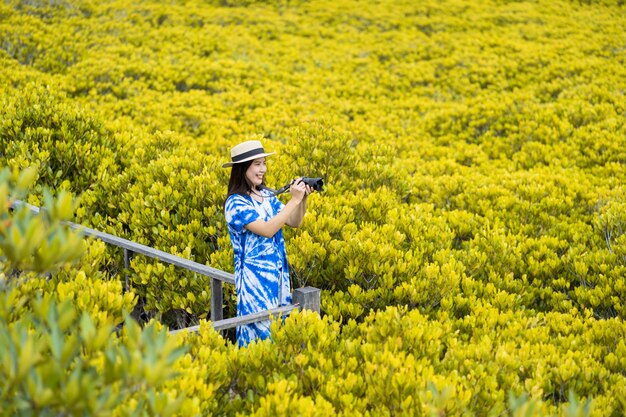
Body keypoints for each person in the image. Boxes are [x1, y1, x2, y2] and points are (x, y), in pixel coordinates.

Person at [223, 140, 313, 347]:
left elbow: (293, 221)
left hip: (278, 277)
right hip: (255, 283)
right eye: (257, 164)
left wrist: (303, 199)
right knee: (258, 338)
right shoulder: (235, 203)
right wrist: (293, 200)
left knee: (278, 336)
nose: (263, 169)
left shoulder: (265, 195)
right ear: (242, 168)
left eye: (264, 163)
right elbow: (267, 229)